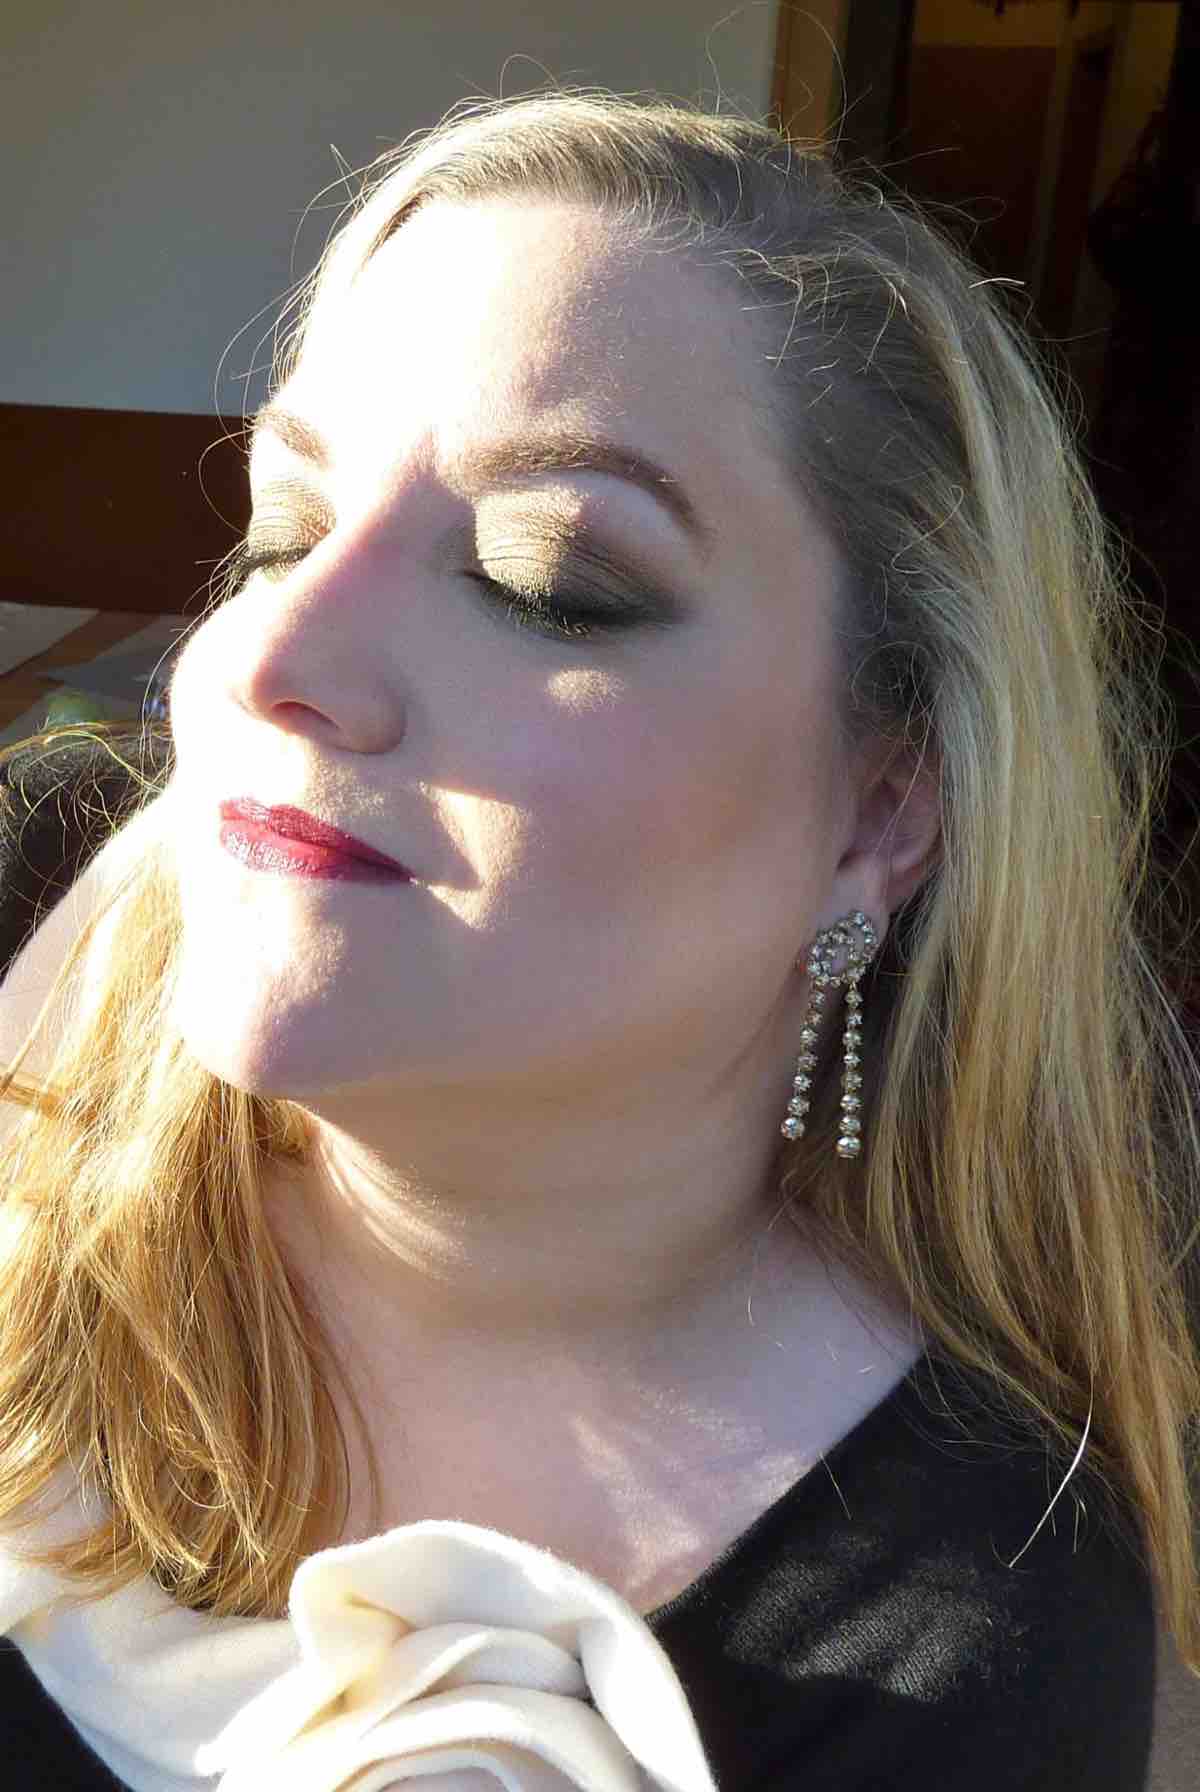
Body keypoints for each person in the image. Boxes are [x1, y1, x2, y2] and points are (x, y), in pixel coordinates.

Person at [1, 89, 1198, 1791]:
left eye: (544, 578)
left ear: (881, 809)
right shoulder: (35, 894)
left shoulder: (969, 1637)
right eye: (282, 532)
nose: (270, 658)